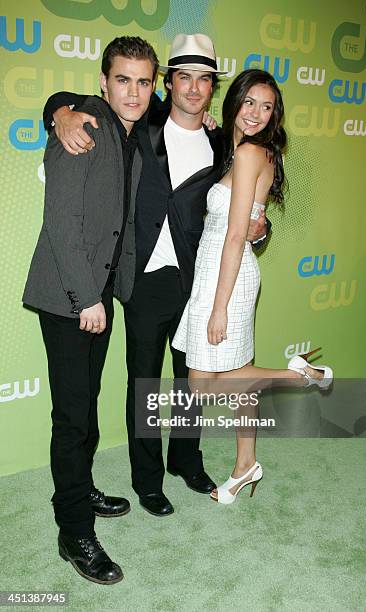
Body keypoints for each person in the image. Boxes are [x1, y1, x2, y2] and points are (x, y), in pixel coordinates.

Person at [42, 34, 271, 518]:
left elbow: (241, 205)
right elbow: (76, 106)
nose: (193, 88)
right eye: (183, 77)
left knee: (192, 379)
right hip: (142, 278)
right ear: (169, 83)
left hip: (196, 279)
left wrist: (260, 225)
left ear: (212, 88)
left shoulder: (220, 141)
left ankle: (186, 460)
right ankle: (147, 480)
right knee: (143, 382)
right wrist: (58, 112)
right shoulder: (139, 119)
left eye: (204, 79)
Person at [23, 36, 159, 584]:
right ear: (103, 82)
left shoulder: (130, 135)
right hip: (70, 299)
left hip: (97, 295)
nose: (134, 91)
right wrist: (88, 299)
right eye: (122, 79)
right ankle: (73, 528)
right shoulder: (83, 126)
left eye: (144, 81)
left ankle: (79, 489)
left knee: (88, 406)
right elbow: (61, 222)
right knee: (72, 417)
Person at [172, 68, 333, 504]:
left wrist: (219, 306)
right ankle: (247, 464)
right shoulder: (246, 150)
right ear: (235, 103)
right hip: (222, 268)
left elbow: (235, 235)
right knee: (236, 377)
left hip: (227, 274)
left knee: (202, 384)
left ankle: (295, 373)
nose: (257, 114)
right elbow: (248, 224)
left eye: (267, 107)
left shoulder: (249, 156)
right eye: (250, 103)